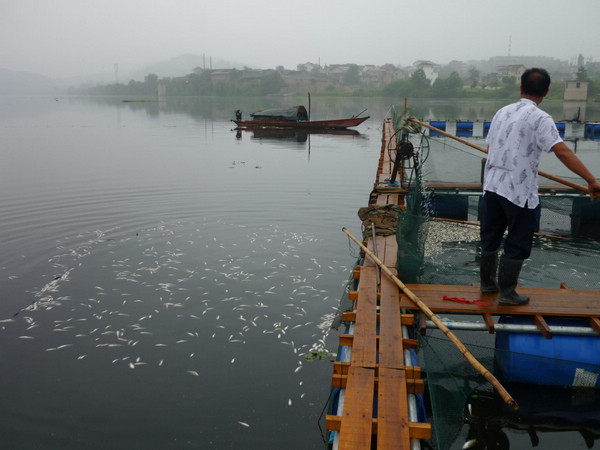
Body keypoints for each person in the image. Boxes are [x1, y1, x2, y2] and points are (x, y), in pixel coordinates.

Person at [480, 68, 600, 305]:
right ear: (545, 92)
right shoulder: (540, 118)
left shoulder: (501, 112)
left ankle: (487, 285)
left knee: (490, 238)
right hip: (517, 190)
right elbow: (562, 151)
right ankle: (507, 293)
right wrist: (591, 180)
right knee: (518, 239)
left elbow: (490, 148)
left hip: (492, 186)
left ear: (521, 88)